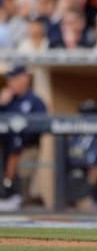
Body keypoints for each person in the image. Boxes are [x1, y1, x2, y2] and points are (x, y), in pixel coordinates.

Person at [0, 64, 47, 211]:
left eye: (14, 79)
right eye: (10, 79)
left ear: (25, 79)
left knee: (23, 172)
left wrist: (19, 141)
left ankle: (20, 200)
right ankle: (6, 196)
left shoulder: (35, 101)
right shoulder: (7, 100)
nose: (10, 83)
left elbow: (43, 126)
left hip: (27, 147)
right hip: (4, 147)